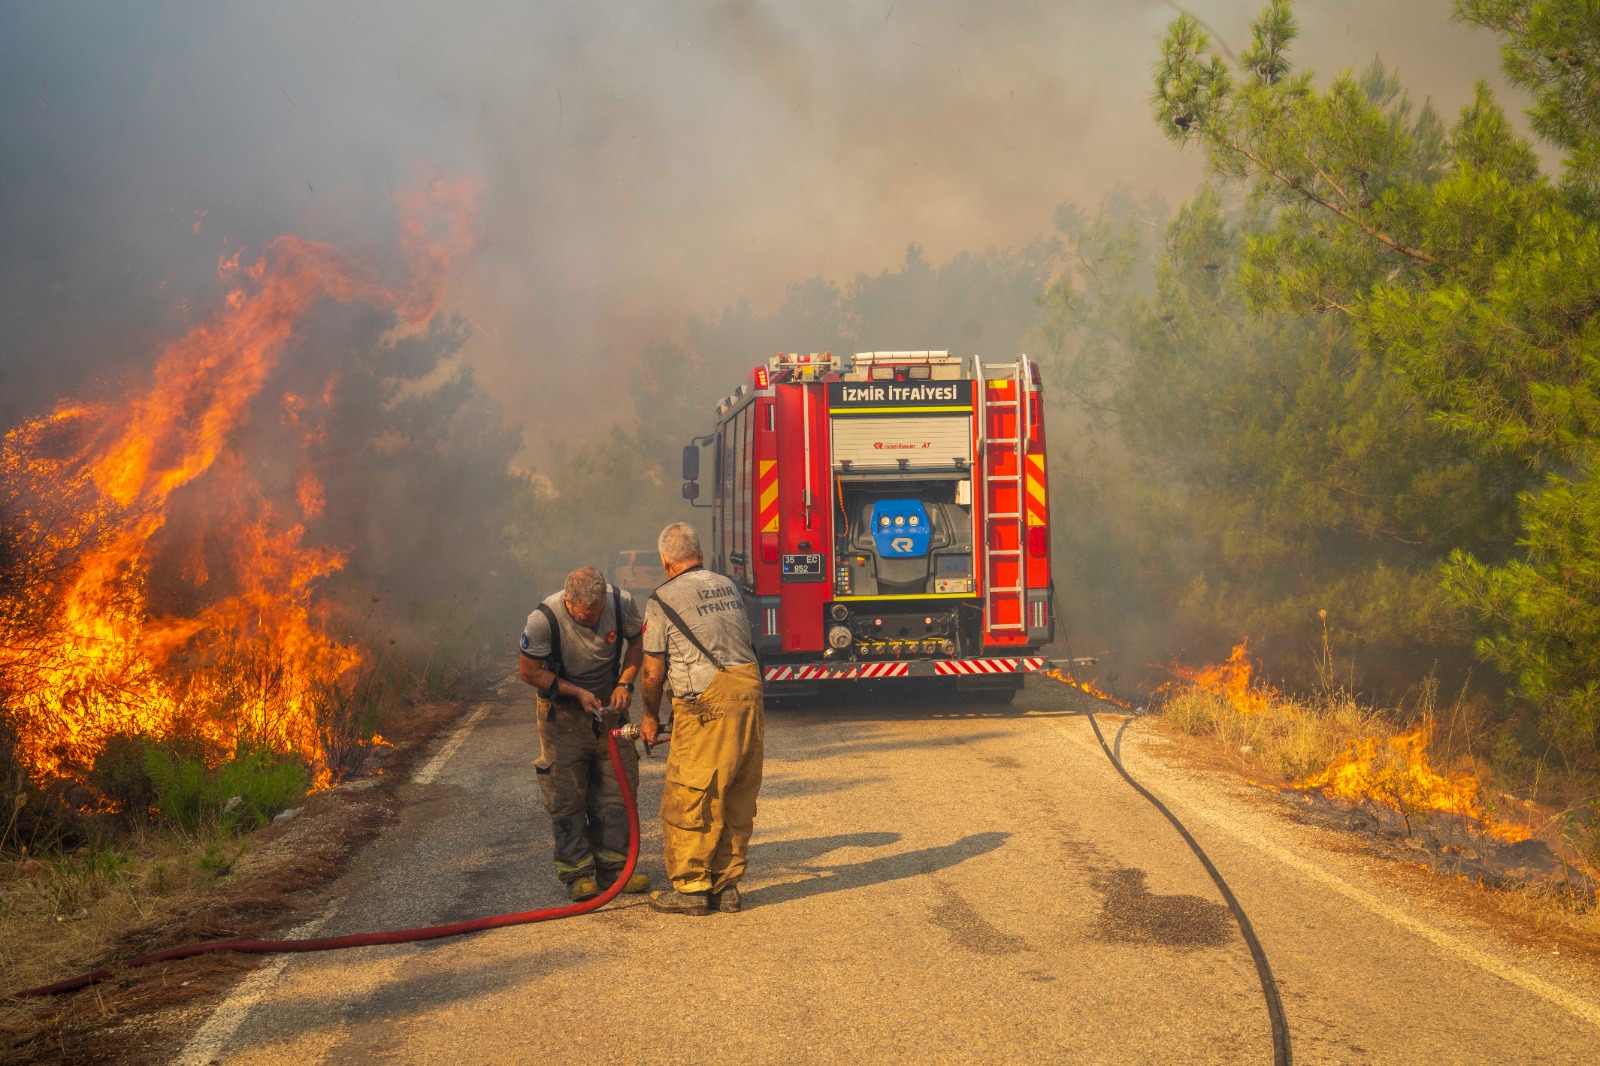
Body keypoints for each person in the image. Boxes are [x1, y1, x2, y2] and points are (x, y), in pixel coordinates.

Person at [640, 522, 765, 915]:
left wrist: (648, 715)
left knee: (691, 791)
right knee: (735, 789)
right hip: (748, 690)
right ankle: (726, 886)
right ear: (700, 554)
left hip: (705, 704)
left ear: (666, 561)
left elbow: (652, 673)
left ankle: (693, 888)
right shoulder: (727, 586)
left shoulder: (661, 599)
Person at [519, 566, 651, 901]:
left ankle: (615, 871)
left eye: (598, 613)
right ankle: (578, 873)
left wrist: (625, 683)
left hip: (611, 711)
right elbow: (529, 672)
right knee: (567, 793)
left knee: (617, 790)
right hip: (562, 714)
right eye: (584, 614)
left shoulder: (621, 603)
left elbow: (637, 645)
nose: (593, 620)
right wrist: (576, 692)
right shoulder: (543, 619)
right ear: (568, 601)